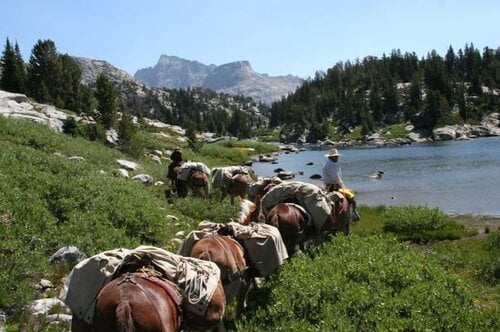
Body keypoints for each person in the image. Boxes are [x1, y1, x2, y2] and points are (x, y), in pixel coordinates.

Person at [322, 148, 361, 221]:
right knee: (351, 196)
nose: (337, 158)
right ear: (331, 157)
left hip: (327, 187)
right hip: (334, 187)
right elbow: (335, 178)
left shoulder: (327, 163)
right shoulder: (332, 165)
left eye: (337, 156)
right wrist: (342, 185)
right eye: (335, 156)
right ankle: (354, 214)